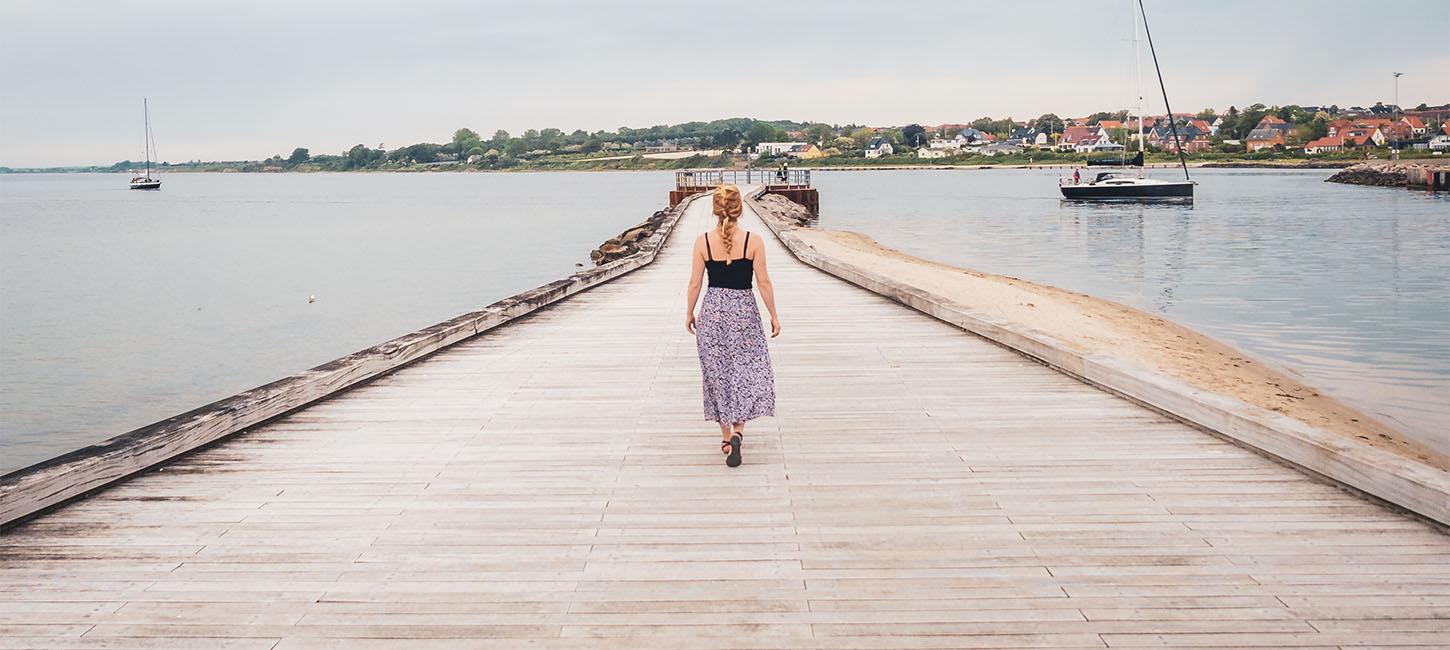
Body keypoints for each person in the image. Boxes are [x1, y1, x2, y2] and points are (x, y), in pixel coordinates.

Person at [685, 184, 781, 467]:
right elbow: (763, 282)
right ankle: (739, 430)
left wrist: (689, 313)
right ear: (740, 208)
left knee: (717, 374)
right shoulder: (754, 241)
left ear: (715, 209)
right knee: (744, 370)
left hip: (712, 312)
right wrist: (774, 315)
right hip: (744, 312)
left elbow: (695, 283)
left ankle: (726, 436)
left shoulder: (702, 241)